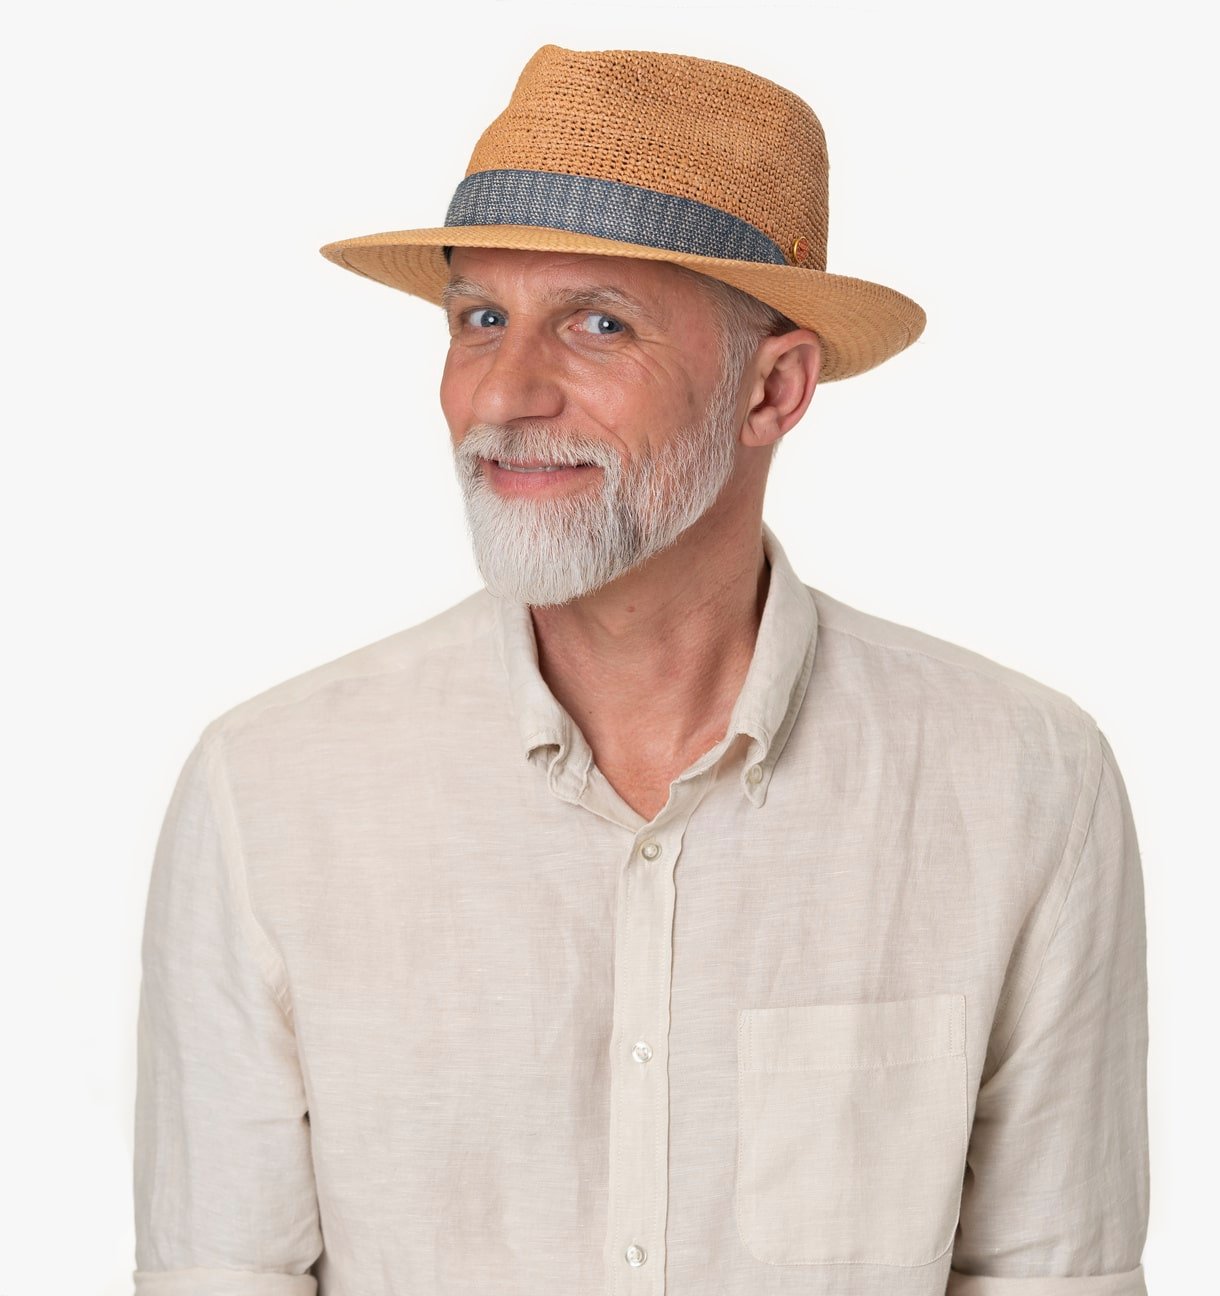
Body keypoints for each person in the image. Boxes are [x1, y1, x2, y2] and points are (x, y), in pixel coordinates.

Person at [132, 43, 1151, 1296]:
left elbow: (1053, 1274)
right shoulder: (274, 791)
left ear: (773, 389)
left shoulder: (1021, 784)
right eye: (480, 319)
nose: (506, 393)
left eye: (598, 324)